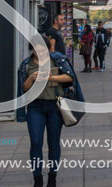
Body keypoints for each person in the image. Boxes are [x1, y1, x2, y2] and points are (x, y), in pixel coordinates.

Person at [17, 37, 82, 187]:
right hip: (35, 107)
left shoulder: (58, 60)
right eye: (36, 49)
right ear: (31, 49)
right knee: (35, 142)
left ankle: (52, 177)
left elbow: (70, 77)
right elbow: (23, 89)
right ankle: (38, 179)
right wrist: (32, 78)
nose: (39, 52)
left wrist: (51, 77)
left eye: (42, 49)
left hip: (55, 106)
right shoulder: (26, 65)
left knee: (53, 143)